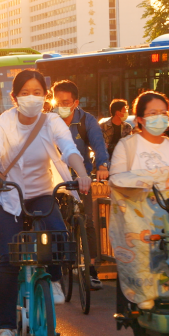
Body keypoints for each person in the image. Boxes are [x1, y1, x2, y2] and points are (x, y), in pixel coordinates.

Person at [0, 70, 91, 336]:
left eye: (37, 92)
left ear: (45, 96)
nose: (31, 97)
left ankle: (52, 279)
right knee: (9, 260)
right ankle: (6, 328)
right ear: (14, 97)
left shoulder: (52, 121)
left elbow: (68, 147)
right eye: (25, 92)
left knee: (58, 236)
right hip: (8, 197)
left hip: (42, 194)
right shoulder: (2, 122)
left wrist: (82, 172)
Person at [110, 91, 169, 314]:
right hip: (139, 216)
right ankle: (144, 291)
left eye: (164, 113)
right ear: (140, 119)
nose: (159, 117)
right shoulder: (127, 146)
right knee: (144, 242)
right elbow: (117, 178)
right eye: (153, 113)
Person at [51, 80, 110, 290]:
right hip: (52, 178)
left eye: (66, 102)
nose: (61, 105)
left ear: (76, 102)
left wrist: (102, 165)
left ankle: (91, 269)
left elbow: (99, 145)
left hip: (80, 178)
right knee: (52, 223)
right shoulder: (47, 120)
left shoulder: (87, 120)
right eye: (58, 101)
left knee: (88, 222)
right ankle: (55, 268)